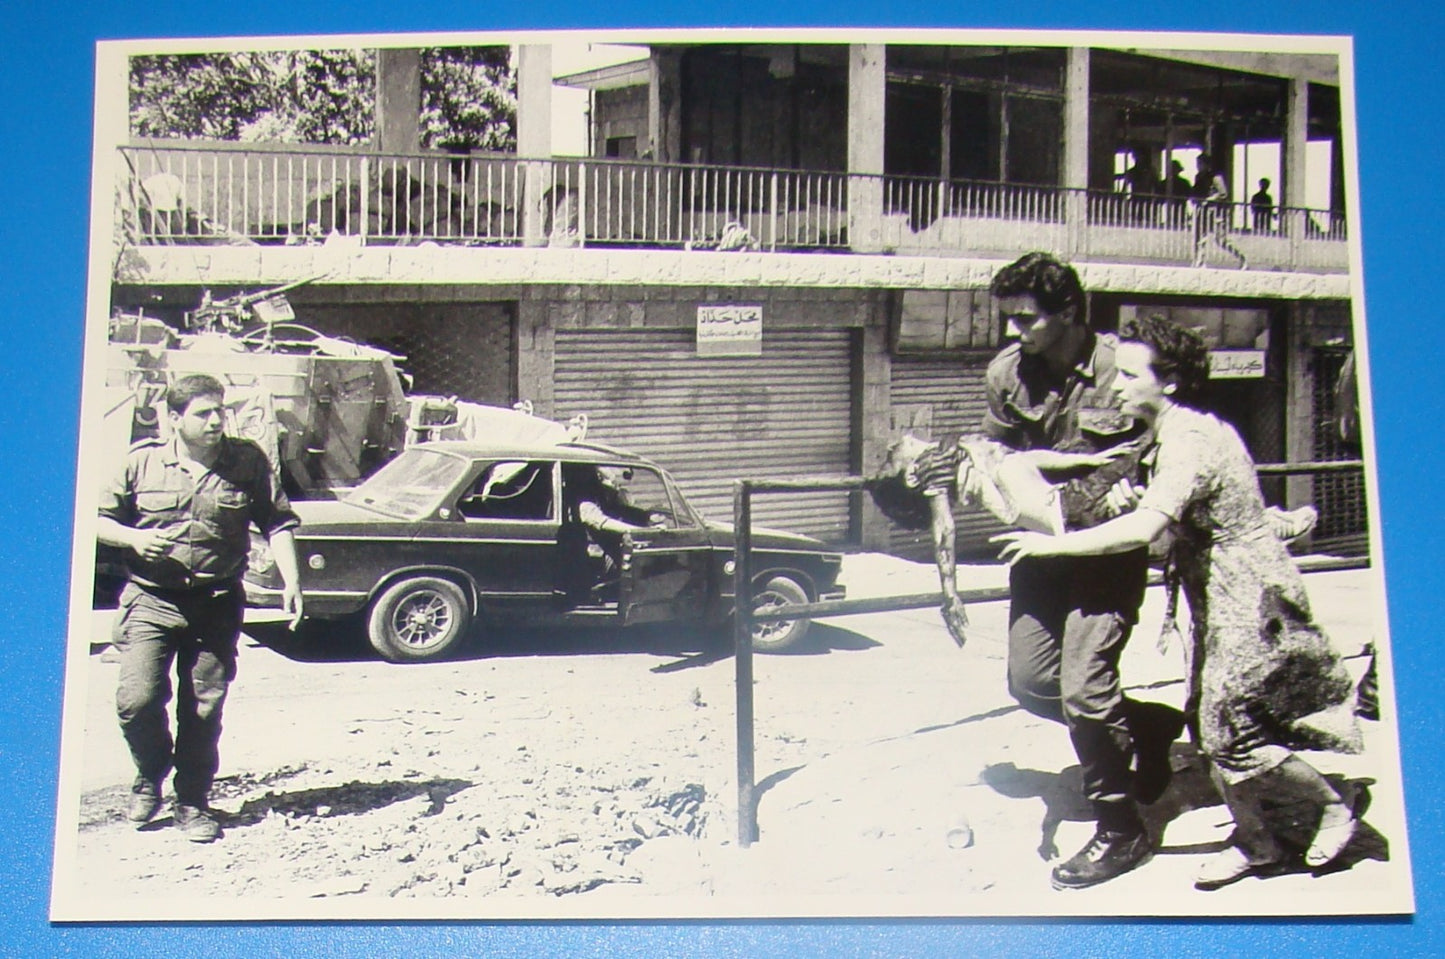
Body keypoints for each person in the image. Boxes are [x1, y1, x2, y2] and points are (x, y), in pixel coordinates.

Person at [995, 315, 1365, 891]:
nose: (1116, 386)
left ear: (1167, 383)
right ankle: (1258, 842)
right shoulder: (1167, 435)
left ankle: (1335, 800)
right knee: (1210, 719)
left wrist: (1056, 542)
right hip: (1211, 587)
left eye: (1131, 375)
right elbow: (1165, 510)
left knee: (1227, 730)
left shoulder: (1189, 439)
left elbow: (1145, 529)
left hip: (1247, 592)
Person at [934, 252, 1185, 890]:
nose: (1013, 333)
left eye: (1026, 320)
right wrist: (968, 465)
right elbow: (998, 449)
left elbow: (1152, 451)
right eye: (1009, 320)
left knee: (1083, 691)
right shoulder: (1006, 374)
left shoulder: (1122, 371)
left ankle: (1121, 829)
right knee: (1030, 682)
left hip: (1105, 551)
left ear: (1069, 312)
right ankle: (1148, 725)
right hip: (1039, 550)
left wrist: (1130, 489)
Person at [97, 374, 303, 842]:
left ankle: (192, 801)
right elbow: (93, 519)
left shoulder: (247, 461)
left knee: (203, 710)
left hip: (215, 603)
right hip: (151, 600)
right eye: (203, 413)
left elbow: (278, 522)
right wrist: (135, 538)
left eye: (220, 411)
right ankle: (150, 774)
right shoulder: (141, 463)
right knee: (136, 701)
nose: (216, 421)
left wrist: (292, 580)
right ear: (174, 418)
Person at [559, 464, 663, 602]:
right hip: (590, 554)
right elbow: (602, 521)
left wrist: (646, 517)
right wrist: (641, 531)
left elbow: (618, 509)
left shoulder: (596, 497)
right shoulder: (583, 503)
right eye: (596, 476)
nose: (599, 480)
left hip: (599, 550)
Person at [1192, 158, 1247, 269]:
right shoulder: (1198, 177)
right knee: (1200, 237)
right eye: (1198, 164)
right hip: (1203, 211)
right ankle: (1200, 262)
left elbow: (1223, 193)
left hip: (1216, 212)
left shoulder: (1216, 177)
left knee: (1221, 240)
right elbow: (1195, 191)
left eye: (1201, 164)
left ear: (1207, 165)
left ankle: (1242, 258)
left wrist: (1209, 199)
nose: (1199, 166)